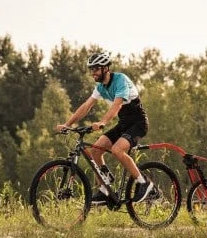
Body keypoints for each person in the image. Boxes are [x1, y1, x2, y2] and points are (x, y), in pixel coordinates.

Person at [56, 52, 153, 204]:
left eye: (95, 69)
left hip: (138, 123)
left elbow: (117, 104)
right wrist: (67, 124)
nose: (92, 72)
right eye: (91, 69)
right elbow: (86, 106)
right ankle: (105, 189)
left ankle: (144, 182)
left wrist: (103, 122)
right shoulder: (100, 87)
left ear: (105, 68)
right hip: (123, 124)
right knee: (95, 150)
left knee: (117, 150)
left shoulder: (121, 80)